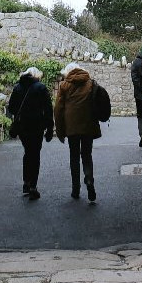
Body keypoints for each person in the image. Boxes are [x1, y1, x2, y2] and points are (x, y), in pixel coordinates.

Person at [53, 62, 101, 203]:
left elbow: (58, 109)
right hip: (88, 125)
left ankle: (75, 188)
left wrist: (60, 130)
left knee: (74, 157)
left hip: (71, 127)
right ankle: (89, 179)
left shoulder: (64, 85)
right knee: (87, 155)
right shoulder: (90, 83)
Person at [7, 66, 54, 201]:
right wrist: (49, 127)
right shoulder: (41, 88)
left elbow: (11, 108)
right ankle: (33, 186)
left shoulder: (17, 87)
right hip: (37, 126)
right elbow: (48, 109)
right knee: (35, 154)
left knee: (27, 152)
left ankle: (26, 183)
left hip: (23, 126)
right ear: (37, 76)